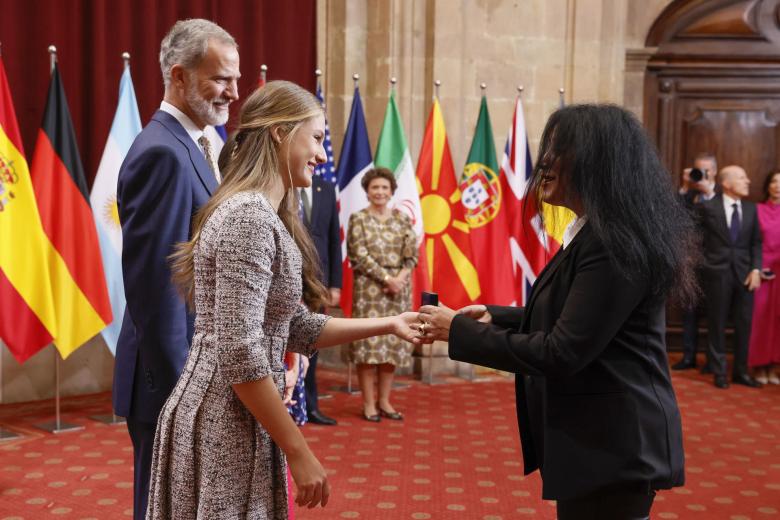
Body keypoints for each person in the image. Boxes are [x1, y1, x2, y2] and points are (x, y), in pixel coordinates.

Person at [146, 81, 418, 519]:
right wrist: (299, 450)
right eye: (315, 138)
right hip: (223, 418)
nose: (323, 155)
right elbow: (239, 350)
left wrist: (389, 323)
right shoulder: (249, 217)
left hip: (239, 412)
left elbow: (292, 325)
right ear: (278, 132)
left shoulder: (260, 214)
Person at [417, 104, 691, 519]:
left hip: (615, 445)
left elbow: (562, 352)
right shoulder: (595, 233)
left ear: (597, 163)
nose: (544, 161)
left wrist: (456, 329)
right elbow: (578, 311)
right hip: (599, 442)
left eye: (559, 149)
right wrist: (497, 315)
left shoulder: (612, 244)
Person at [113, 19, 240, 520]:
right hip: (171, 385)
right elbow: (158, 291)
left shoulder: (202, 145)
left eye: (235, 77)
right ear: (179, 76)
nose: (233, 91)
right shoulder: (164, 152)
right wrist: (184, 398)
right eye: (220, 78)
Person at [347, 168, 418, 422]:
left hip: (398, 292)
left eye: (384, 188)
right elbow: (358, 254)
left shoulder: (402, 219)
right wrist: (387, 279)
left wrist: (399, 279)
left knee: (392, 346)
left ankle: (385, 401)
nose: (380, 192)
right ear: (367, 191)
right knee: (369, 347)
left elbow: (412, 254)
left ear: (392, 192)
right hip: (369, 291)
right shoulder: (358, 218)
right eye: (375, 187)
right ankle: (368, 404)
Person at [698, 165, 763, 389]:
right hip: (717, 273)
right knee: (716, 323)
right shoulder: (707, 207)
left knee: (744, 324)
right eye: (743, 177)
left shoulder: (752, 208)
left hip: (746, 276)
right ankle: (719, 372)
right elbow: (696, 239)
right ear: (726, 183)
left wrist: (756, 269)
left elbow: (756, 243)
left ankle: (741, 371)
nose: (748, 181)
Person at [302, 174, 342, 425]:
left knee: (312, 343)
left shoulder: (325, 188)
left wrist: (335, 284)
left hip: (318, 280)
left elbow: (334, 239)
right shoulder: (282, 183)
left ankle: (310, 405)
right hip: (284, 276)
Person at [672, 152, 717, 371]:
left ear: (714, 172)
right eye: (698, 169)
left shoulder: (719, 196)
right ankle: (688, 356)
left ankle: (711, 361)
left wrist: (708, 193)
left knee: (714, 315)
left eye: (706, 170)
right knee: (689, 313)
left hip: (716, 264)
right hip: (690, 263)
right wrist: (683, 186)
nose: (701, 174)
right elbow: (673, 217)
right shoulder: (687, 195)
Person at [748, 170, 780, 384]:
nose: (778, 185)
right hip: (763, 271)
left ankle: (774, 365)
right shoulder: (756, 210)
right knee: (760, 320)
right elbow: (750, 242)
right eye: (774, 181)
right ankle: (759, 366)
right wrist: (757, 268)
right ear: (768, 185)